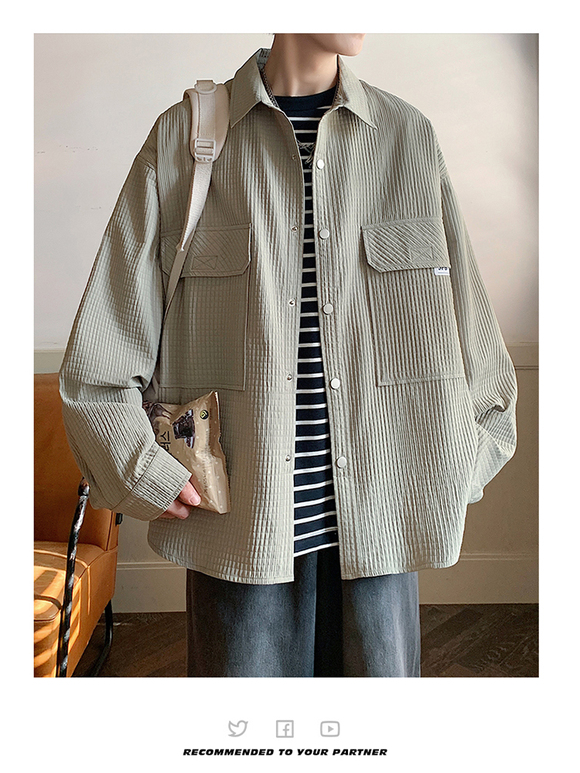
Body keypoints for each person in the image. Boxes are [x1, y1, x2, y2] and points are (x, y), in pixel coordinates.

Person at [59, 34, 518, 677]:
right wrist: (141, 470)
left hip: (383, 526)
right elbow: (99, 354)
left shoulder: (406, 138)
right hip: (241, 533)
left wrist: (448, 470)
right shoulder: (185, 141)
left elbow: (474, 341)